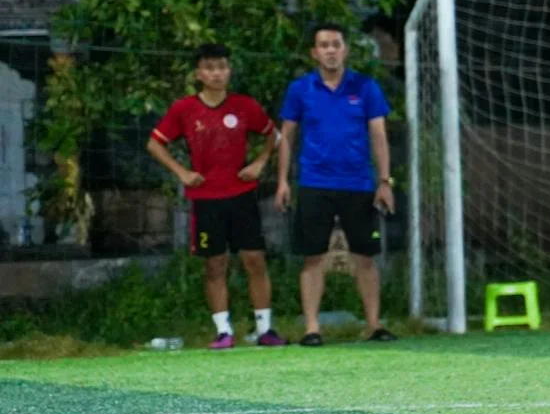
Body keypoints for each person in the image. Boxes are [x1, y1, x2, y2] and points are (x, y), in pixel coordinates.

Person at [147, 43, 283, 348]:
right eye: (209, 68)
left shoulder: (244, 106)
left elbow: (274, 136)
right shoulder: (184, 109)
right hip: (206, 199)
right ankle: (223, 331)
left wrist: (259, 163)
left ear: (229, 71)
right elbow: (154, 144)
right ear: (199, 74)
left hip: (242, 195)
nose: (216, 74)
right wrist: (182, 173)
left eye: (221, 67)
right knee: (215, 264)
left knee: (254, 259)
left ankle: (265, 329)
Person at [274, 24, 397, 346]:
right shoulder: (300, 89)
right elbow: (287, 137)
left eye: (336, 44)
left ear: (345, 50)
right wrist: (282, 181)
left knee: (365, 256)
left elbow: (379, 136)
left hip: (358, 184)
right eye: (324, 45)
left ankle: (373, 325)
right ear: (314, 52)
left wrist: (385, 181)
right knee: (313, 256)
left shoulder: (366, 87)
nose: (330, 50)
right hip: (314, 183)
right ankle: (312, 328)